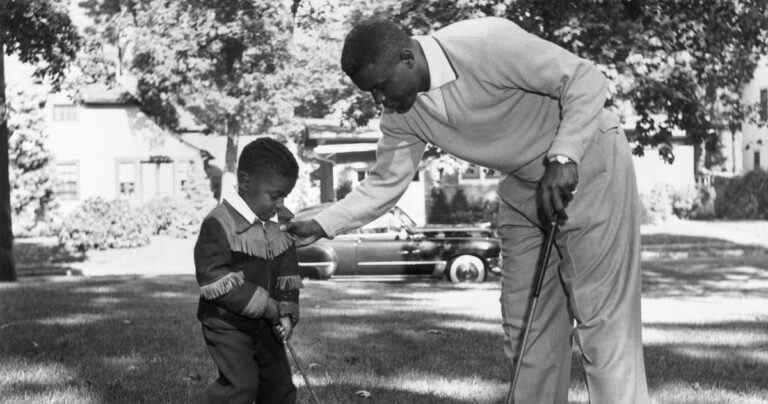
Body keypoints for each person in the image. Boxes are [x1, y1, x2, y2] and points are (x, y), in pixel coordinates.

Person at [285, 17, 650, 404]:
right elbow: (384, 184)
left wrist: (564, 155)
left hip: (588, 161)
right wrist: (322, 224)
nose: (379, 100)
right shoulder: (402, 116)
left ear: (408, 58)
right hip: (523, 186)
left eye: (380, 86)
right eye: (369, 93)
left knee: (602, 321)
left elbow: (585, 79)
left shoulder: (485, 43)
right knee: (526, 329)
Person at [194, 137, 302, 404]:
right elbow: (213, 277)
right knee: (241, 387)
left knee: (279, 388)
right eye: (275, 195)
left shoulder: (282, 222)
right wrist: (265, 305)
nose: (280, 204)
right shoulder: (219, 222)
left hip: (268, 325)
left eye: (284, 196)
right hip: (226, 323)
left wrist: (286, 314)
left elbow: (288, 272)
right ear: (244, 182)